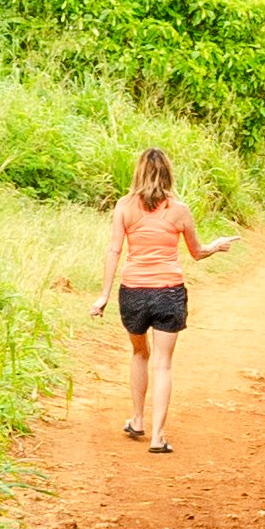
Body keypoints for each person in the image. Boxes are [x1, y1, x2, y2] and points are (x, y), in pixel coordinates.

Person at [89, 146, 237, 452]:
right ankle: (157, 437)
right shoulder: (179, 210)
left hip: (133, 291)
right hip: (169, 292)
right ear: (168, 173)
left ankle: (137, 419)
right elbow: (197, 253)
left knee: (139, 354)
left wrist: (103, 295)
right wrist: (217, 245)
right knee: (163, 364)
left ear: (138, 173)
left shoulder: (125, 207)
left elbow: (114, 250)